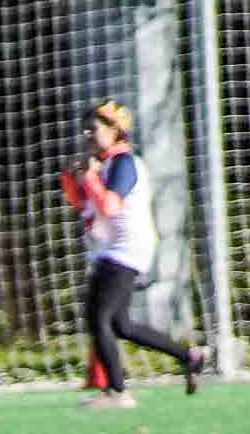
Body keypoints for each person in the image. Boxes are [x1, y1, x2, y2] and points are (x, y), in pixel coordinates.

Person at [60, 98, 206, 394]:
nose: (87, 134)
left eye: (93, 128)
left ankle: (116, 391)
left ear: (115, 130)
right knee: (121, 325)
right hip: (112, 248)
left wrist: (88, 177)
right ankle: (189, 356)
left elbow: (111, 206)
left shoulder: (125, 162)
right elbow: (82, 202)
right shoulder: (104, 165)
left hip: (126, 248)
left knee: (98, 318)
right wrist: (72, 179)